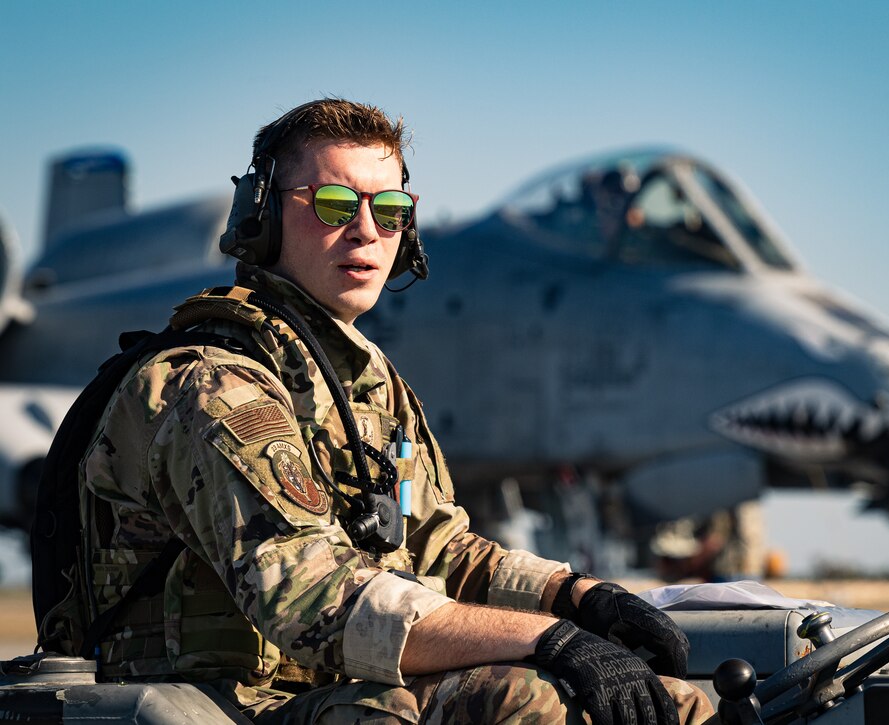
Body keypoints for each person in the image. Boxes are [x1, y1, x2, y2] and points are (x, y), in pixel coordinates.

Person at [41, 99, 715, 724]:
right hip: (223, 702)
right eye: (333, 203)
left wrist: (580, 597)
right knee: (530, 700)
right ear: (263, 215)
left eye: (388, 207)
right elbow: (313, 598)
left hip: (331, 690)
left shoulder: (366, 386)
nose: (366, 229)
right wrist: (550, 638)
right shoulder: (212, 384)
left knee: (672, 703)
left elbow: (443, 551)